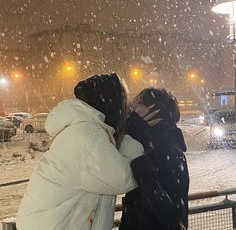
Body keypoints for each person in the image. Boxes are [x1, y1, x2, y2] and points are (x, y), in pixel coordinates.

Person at [16, 73, 144, 230]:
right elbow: (122, 178)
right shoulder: (86, 136)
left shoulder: (88, 131)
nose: (128, 108)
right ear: (111, 104)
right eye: (125, 102)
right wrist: (136, 138)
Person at [119, 88, 189, 230]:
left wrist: (141, 165)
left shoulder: (170, 152)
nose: (132, 108)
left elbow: (172, 214)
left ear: (154, 111)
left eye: (138, 103)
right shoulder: (144, 145)